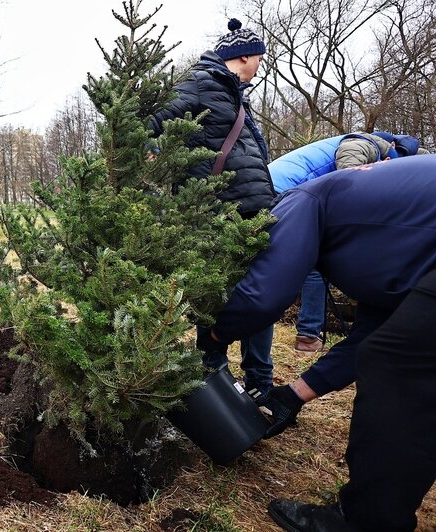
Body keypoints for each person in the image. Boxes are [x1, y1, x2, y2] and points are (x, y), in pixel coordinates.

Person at [197, 155, 436, 531]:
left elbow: (264, 295)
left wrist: (212, 337)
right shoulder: (389, 242)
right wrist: (293, 395)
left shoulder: (300, 201)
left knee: (397, 366)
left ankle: (365, 523)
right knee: (395, 353)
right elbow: (369, 336)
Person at [148, 18, 276, 397]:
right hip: (218, 210)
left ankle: (259, 383)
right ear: (246, 56)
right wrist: (155, 156)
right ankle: (214, 376)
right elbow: (147, 124)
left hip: (253, 209)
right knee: (214, 293)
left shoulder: (235, 93)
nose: (259, 66)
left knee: (262, 295)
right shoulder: (201, 83)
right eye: (259, 59)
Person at [269, 131, 421, 352]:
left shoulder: (369, 147)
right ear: (391, 150)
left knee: (312, 262)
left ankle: (307, 335)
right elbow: (352, 184)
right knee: (315, 264)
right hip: (283, 193)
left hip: (288, 194)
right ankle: (308, 337)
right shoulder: (363, 143)